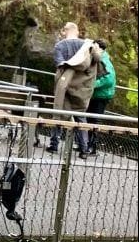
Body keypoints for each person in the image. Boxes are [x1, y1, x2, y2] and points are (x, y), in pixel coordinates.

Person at [47, 22, 99, 154]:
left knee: (58, 114)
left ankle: (54, 145)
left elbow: (60, 65)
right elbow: (94, 64)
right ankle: (84, 148)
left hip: (64, 86)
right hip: (81, 88)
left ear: (65, 31)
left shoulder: (59, 46)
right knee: (80, 116)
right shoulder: (87, 46)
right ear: (77, 31)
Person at [85, 38, 116, 155]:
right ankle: (86, 144)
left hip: (101, 96)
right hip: (97, 95)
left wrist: (92, 84)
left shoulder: (103, 60)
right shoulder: (101, 59)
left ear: (99, 47)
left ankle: (92, 147)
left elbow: (109, 79)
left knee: (94, 120)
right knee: (89, 119)